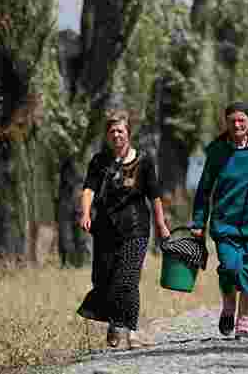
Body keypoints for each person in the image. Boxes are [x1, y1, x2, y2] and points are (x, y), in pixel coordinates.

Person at [190, 102, 248, 339]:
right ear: (226, 123)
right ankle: (229, 307)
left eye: (242, 120)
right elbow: (204, 189)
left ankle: (244, 324)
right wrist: (199, 222)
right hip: (225, 223)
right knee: (230, 268)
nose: (237, 125)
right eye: (232, 120)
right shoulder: (217, 150)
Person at [78, 110, 170, 349]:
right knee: (105, 280)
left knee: (127, 280)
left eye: (120, 130)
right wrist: (86, 213)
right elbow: (89, 189)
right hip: (105, 229)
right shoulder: (99, 161)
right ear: (107, 135)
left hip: (136, 229)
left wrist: (161, 225)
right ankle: (114, 321)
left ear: (128, 133)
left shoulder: (144, 161)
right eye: (112, 131)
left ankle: (131, 332)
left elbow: (155, 195)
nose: (116, 134)